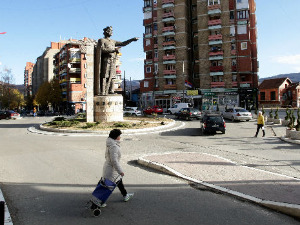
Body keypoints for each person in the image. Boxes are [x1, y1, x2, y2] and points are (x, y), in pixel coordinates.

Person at [95, 26, 139, 95]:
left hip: (112, 60)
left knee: (112, 76)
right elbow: (101, 50)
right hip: (106, 60)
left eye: (112, 30)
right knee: (104, 76)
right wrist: (113, 50)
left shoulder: (113, 41)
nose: (112, 32)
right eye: (110, 30)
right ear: (106, 31)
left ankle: (111, 90)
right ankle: (103, 91)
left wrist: (132, 39)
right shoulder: (102, 40)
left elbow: (123, 44)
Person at [102, 129, 134, 204]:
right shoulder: (114, 146)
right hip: (111, 169)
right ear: (116, 137)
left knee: (118, 181)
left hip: (110, 167)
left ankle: (125, 195)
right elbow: (114, 160)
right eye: (119, 136)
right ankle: (99, 201)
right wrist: (120, 171)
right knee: (106, 186)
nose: (120, 137)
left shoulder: (110, 143)